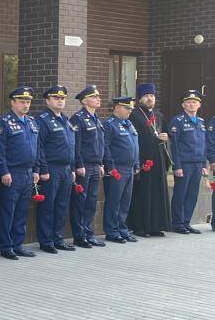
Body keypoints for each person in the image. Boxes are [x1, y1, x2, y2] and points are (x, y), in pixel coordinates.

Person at [0, 86, 39, 259]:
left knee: (22, 211)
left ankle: (18, 244)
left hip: (28, 173)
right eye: (22, 101)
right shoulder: (4, 122)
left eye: (28, 102)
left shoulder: (32, 122)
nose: (25, 105)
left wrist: (36, 169)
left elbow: (37, 148)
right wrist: (4, 171)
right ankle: (6, 247)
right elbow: (0, 150)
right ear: (12, 103)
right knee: (8, 211)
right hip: (12, 173)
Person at [35, 85, 77, 254]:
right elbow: (39, 147)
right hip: (51, 169)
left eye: (62, 98)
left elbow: (71, 146)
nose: (60, 101)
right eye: (56, 98)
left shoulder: (65, 119)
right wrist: (43, 169)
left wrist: (72, 168)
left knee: (61, 206)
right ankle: (46, 241)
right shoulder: (43, 120)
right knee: (48, 207)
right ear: (47, 101)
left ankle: (58, 239)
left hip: (65, 169)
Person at [127, 83, 171, 237]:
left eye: (152, 96)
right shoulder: (134, 115)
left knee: (157, 193)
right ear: (140, 99)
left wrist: (166, 136)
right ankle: (140, 227)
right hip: (143, 160)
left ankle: (155, 226)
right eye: (146, 96)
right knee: (142, 193)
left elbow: (165, 133)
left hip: (158, 160)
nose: (149, 98)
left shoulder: (159, 115)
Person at [69, 85, 107, 248]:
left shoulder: (96, 118)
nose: (98, 99)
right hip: (84, 166)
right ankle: (79, 235)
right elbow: (76, 145)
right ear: (85, 101)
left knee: (91, 201)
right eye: (94, 97)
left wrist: (100, 163)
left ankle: (88, 233)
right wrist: (78, 164)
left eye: (98, 97)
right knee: (80, 201)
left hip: (95, 165)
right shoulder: (78, 119)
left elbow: (100, 144)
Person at [169, 90, 208, 234]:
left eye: (194, 102)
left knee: (192, 195)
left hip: (197, 164)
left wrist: (204, 165)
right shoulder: (177, 121)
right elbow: (174, 146)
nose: (191, 104)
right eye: (188, 102)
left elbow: (203, 145)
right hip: (184, 164)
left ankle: (186, 222)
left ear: (199, 105)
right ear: (183, 105)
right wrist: (177, 166)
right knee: (181, 194)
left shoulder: (201, 122)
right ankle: (177, 223)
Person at [102, 96, 140, 243]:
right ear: (117, 107)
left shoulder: (129, 124)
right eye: (127, 108)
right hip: (117, 169)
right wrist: (110, 167)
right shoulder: (109, 125)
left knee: (125, 202)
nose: (130, 111)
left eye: (131, 108)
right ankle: (112, 231)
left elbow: (135, 145)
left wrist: (136, 164)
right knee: (114, 201)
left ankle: (122, 229)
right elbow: (105, 147)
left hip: (129, 169)